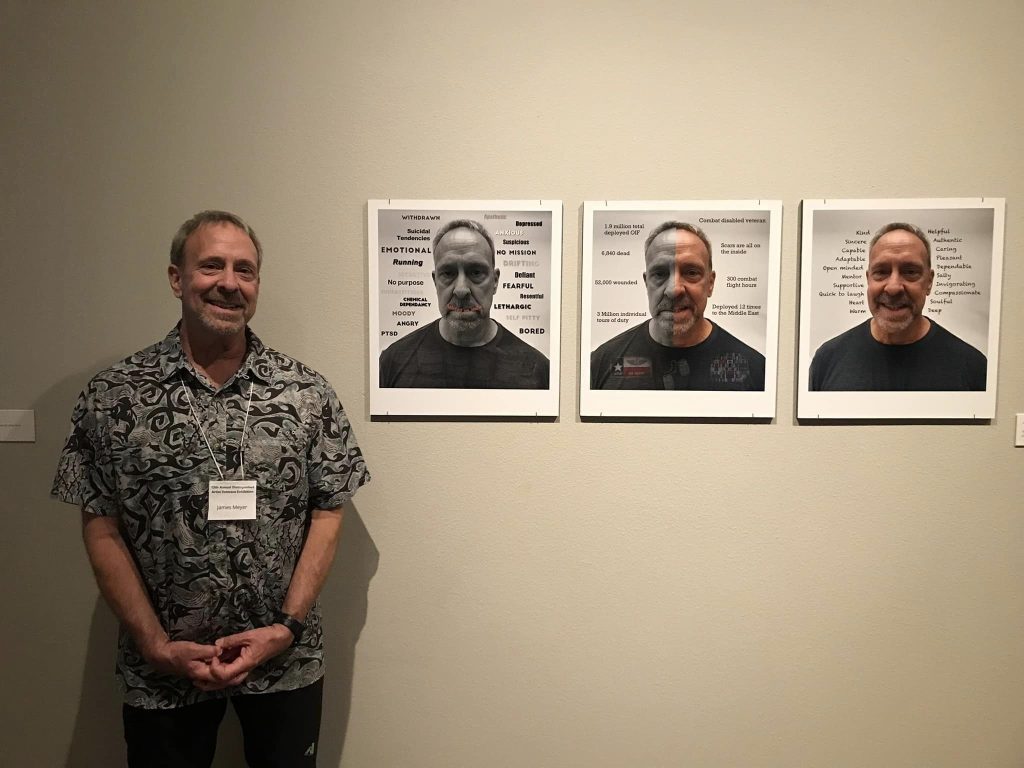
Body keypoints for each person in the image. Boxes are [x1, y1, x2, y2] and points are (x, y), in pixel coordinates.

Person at [52, 210, 371, 767]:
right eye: (211, 266)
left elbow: (328, 510)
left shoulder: (305, 392)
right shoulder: (114, 396)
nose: (229, 282)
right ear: (177, 278)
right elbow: (101, 527)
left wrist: (286, 628)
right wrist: (155, 645)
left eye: (245, 270)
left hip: (284, 662)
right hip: (163, 668)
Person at [809, 222, 987, 391]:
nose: (893, 288)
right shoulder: (826, 360)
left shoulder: (973, 368)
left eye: (910, 272)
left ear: (929, 282)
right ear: (868, 279)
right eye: (881, 272)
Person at [590, 221, 765, 390]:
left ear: (710, 284)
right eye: (660, 274)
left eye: (691, 272)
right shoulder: (600, 364)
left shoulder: (757, 371)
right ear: (646, 283)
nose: (674, 290)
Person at [378, 218, 550, 388]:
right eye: (448, 273)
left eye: (476, 272)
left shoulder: (538, 371)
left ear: (495, 281)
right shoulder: (393, 362)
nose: (461, 290)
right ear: (435, 282)